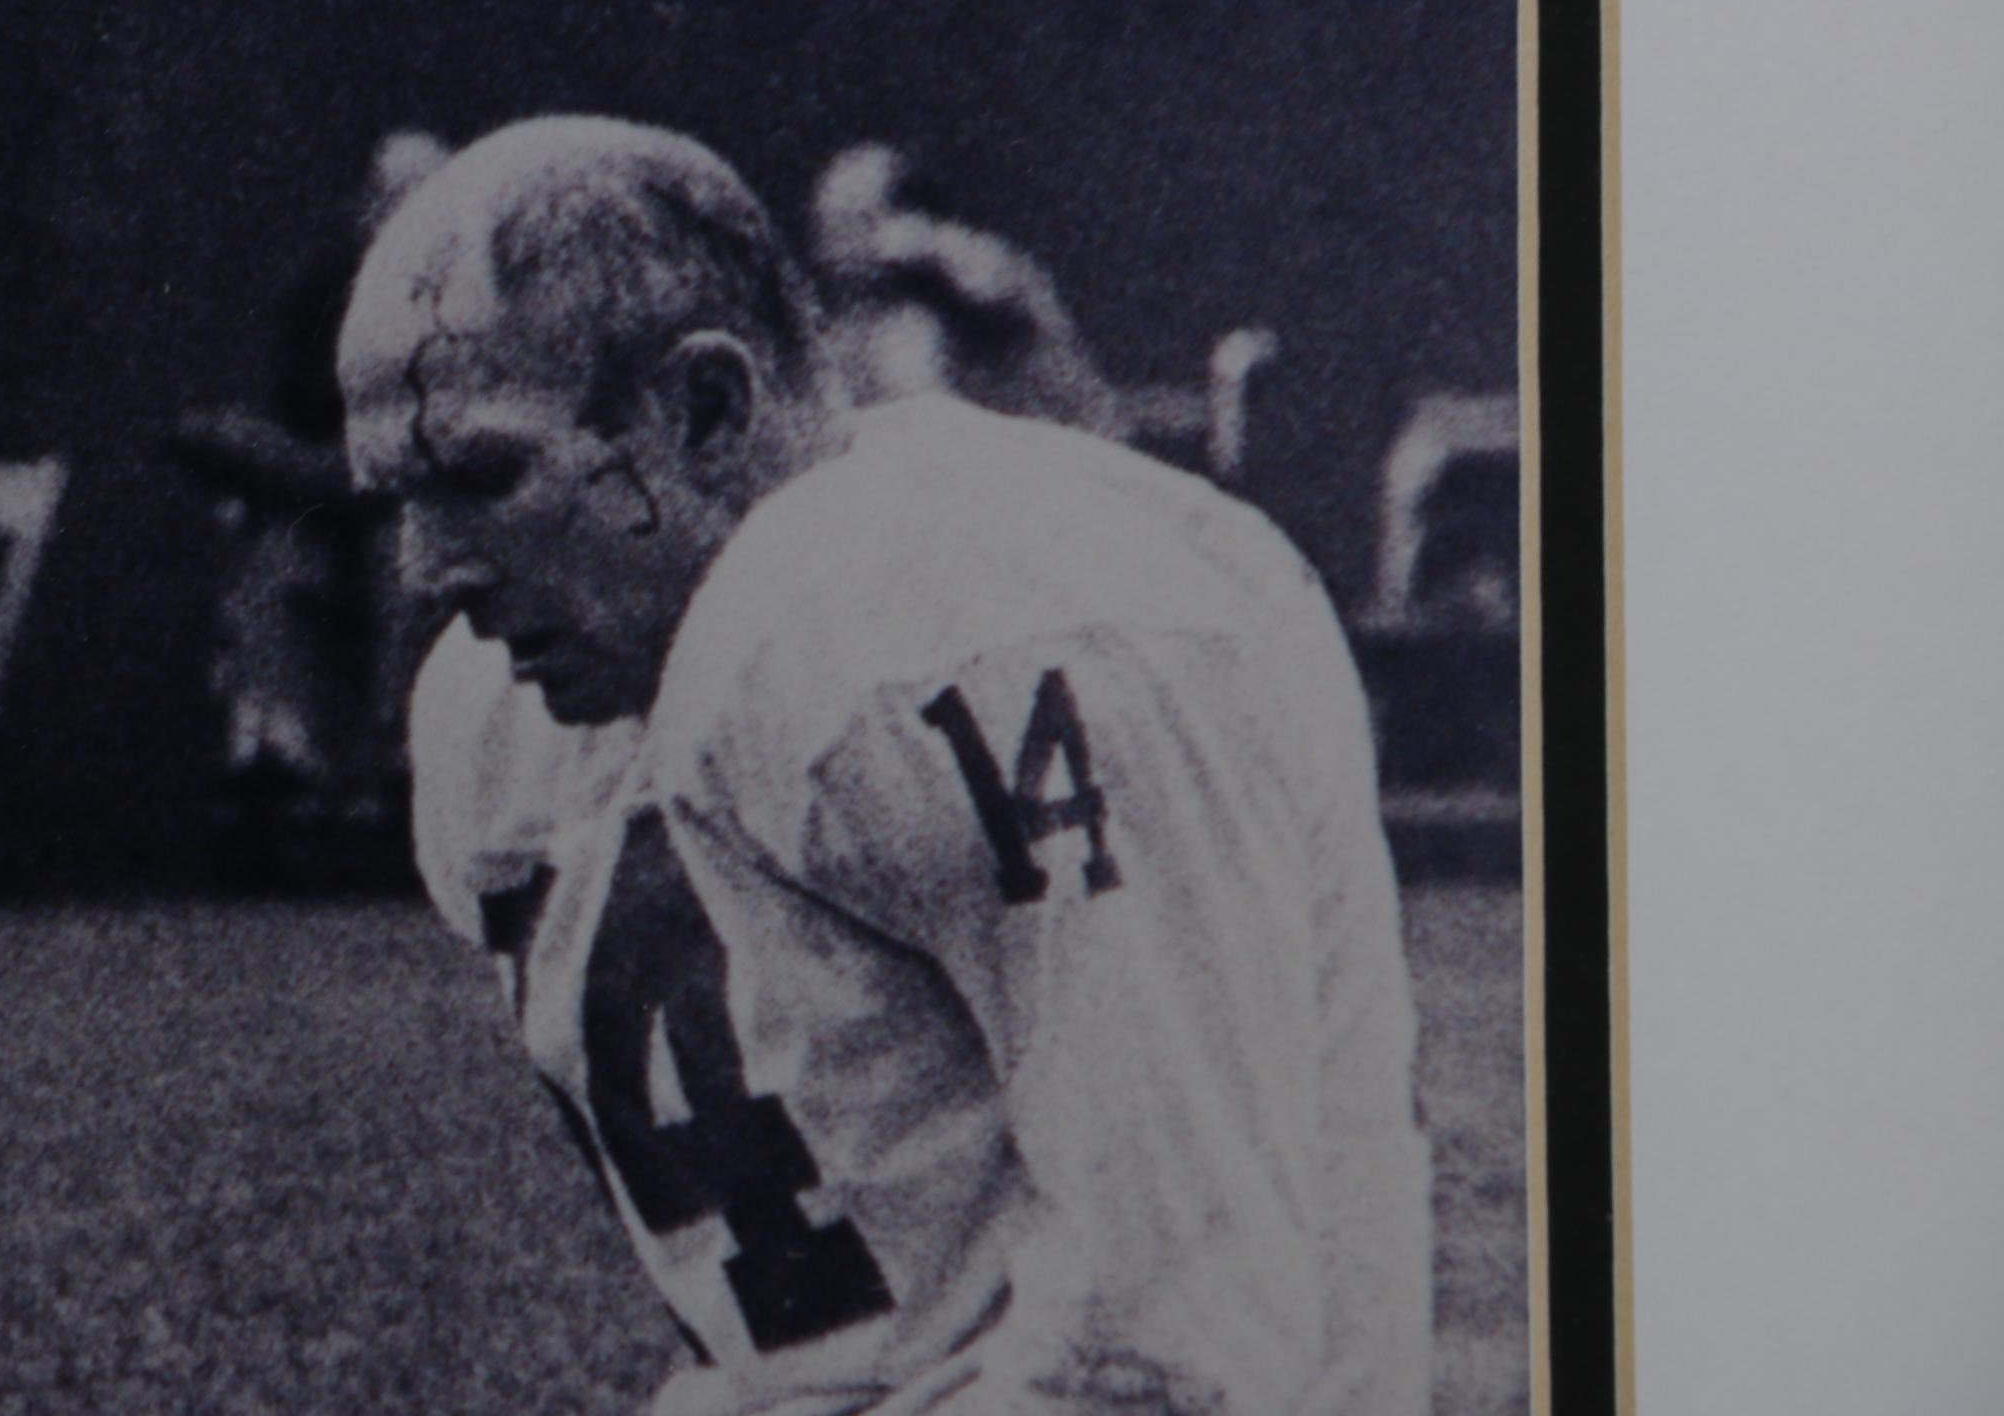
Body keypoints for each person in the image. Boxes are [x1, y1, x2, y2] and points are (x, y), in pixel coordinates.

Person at [344, 118, 1430, 1416]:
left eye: (480, 474)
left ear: (704, 406)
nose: (428, 570)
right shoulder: (499, 718)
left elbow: (1182, 1361)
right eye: (399, 499)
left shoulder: (983, 607)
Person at [172, 128, 450, 873]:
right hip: (327, 497)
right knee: (281, 561)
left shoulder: (484, 293)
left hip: (431, 506)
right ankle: (284, 755)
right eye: (395, 199)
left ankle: (396, 769)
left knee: (407, 566)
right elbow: (295, 415)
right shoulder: (323, 288)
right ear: (369, 206)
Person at [807, 141, 1132, 440]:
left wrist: (922, 253)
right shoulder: (846, 328)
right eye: (830, 225)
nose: (833, 246)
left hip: (1053, 457)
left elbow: (996, 301)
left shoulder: (972, 263)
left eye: (856, 221)